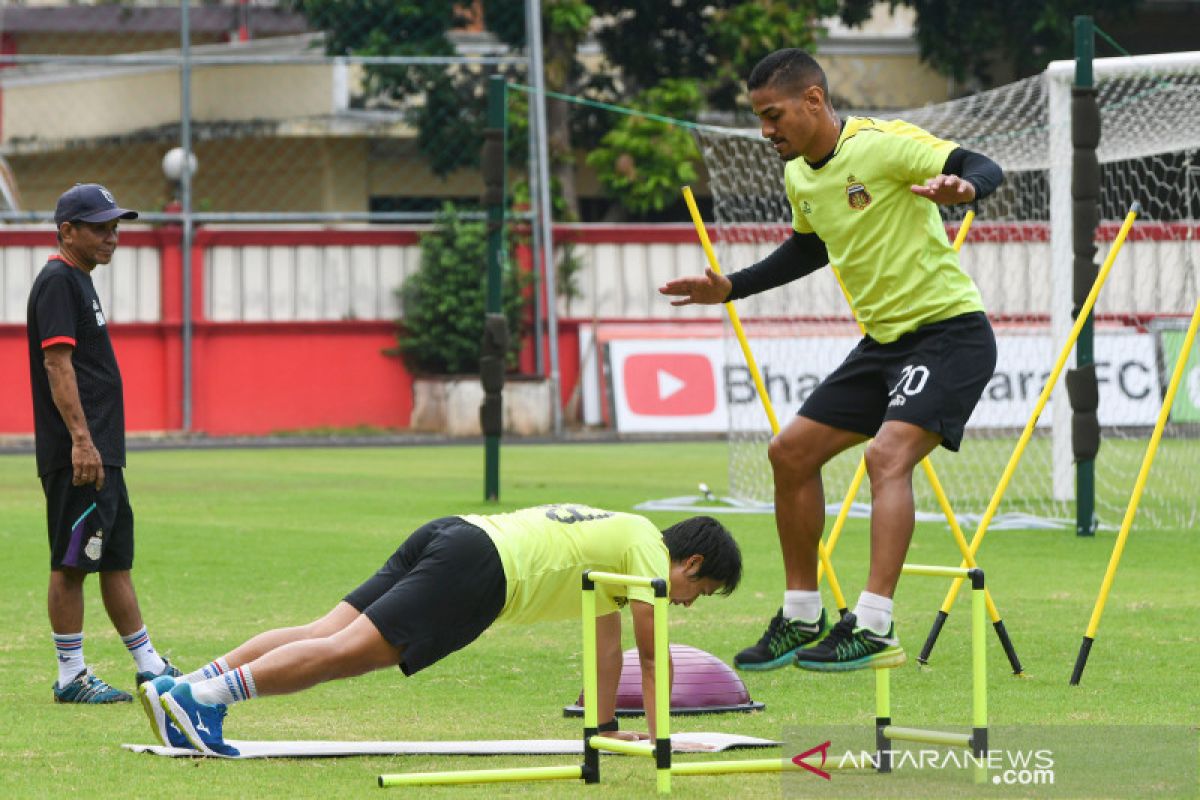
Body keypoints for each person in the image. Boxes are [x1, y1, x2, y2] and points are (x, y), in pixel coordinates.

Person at [659, 49, 1002, 673]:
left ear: (813, 101)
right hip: (883, 345)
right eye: (760, 117)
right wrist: (729, 286)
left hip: (950, 335)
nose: (766, 131)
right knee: (788, 453)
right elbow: (807, 249)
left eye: (774, 115)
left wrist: (967, 186)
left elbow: (979, 164)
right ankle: (801, 614)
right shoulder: (800, 176)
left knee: (885, 456)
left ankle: (873, 625)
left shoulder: (885, 145)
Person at [137, 505, 742, 756]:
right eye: (700, 593)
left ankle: (181, 689)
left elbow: (606, 651)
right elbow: (652, 654)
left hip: (457, 532)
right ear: (690, 564)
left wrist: (607, 730)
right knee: (347, 653)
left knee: (324, 628)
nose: (687, 604)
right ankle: (200, 700)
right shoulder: (645, 551)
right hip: (482, 569)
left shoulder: (625, 537)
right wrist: (665, 745)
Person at [27, 183, 181, 703]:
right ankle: (71, 674)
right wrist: (81, 441)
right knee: (72, 561)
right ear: (66, 230)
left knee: (114, 557)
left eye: (115, 226)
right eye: (99, 227)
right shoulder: (58, 281)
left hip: (101, 452)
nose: (111, 235)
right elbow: (57, 363)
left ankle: (149, 664)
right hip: (81, 455)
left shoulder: (80, 281)